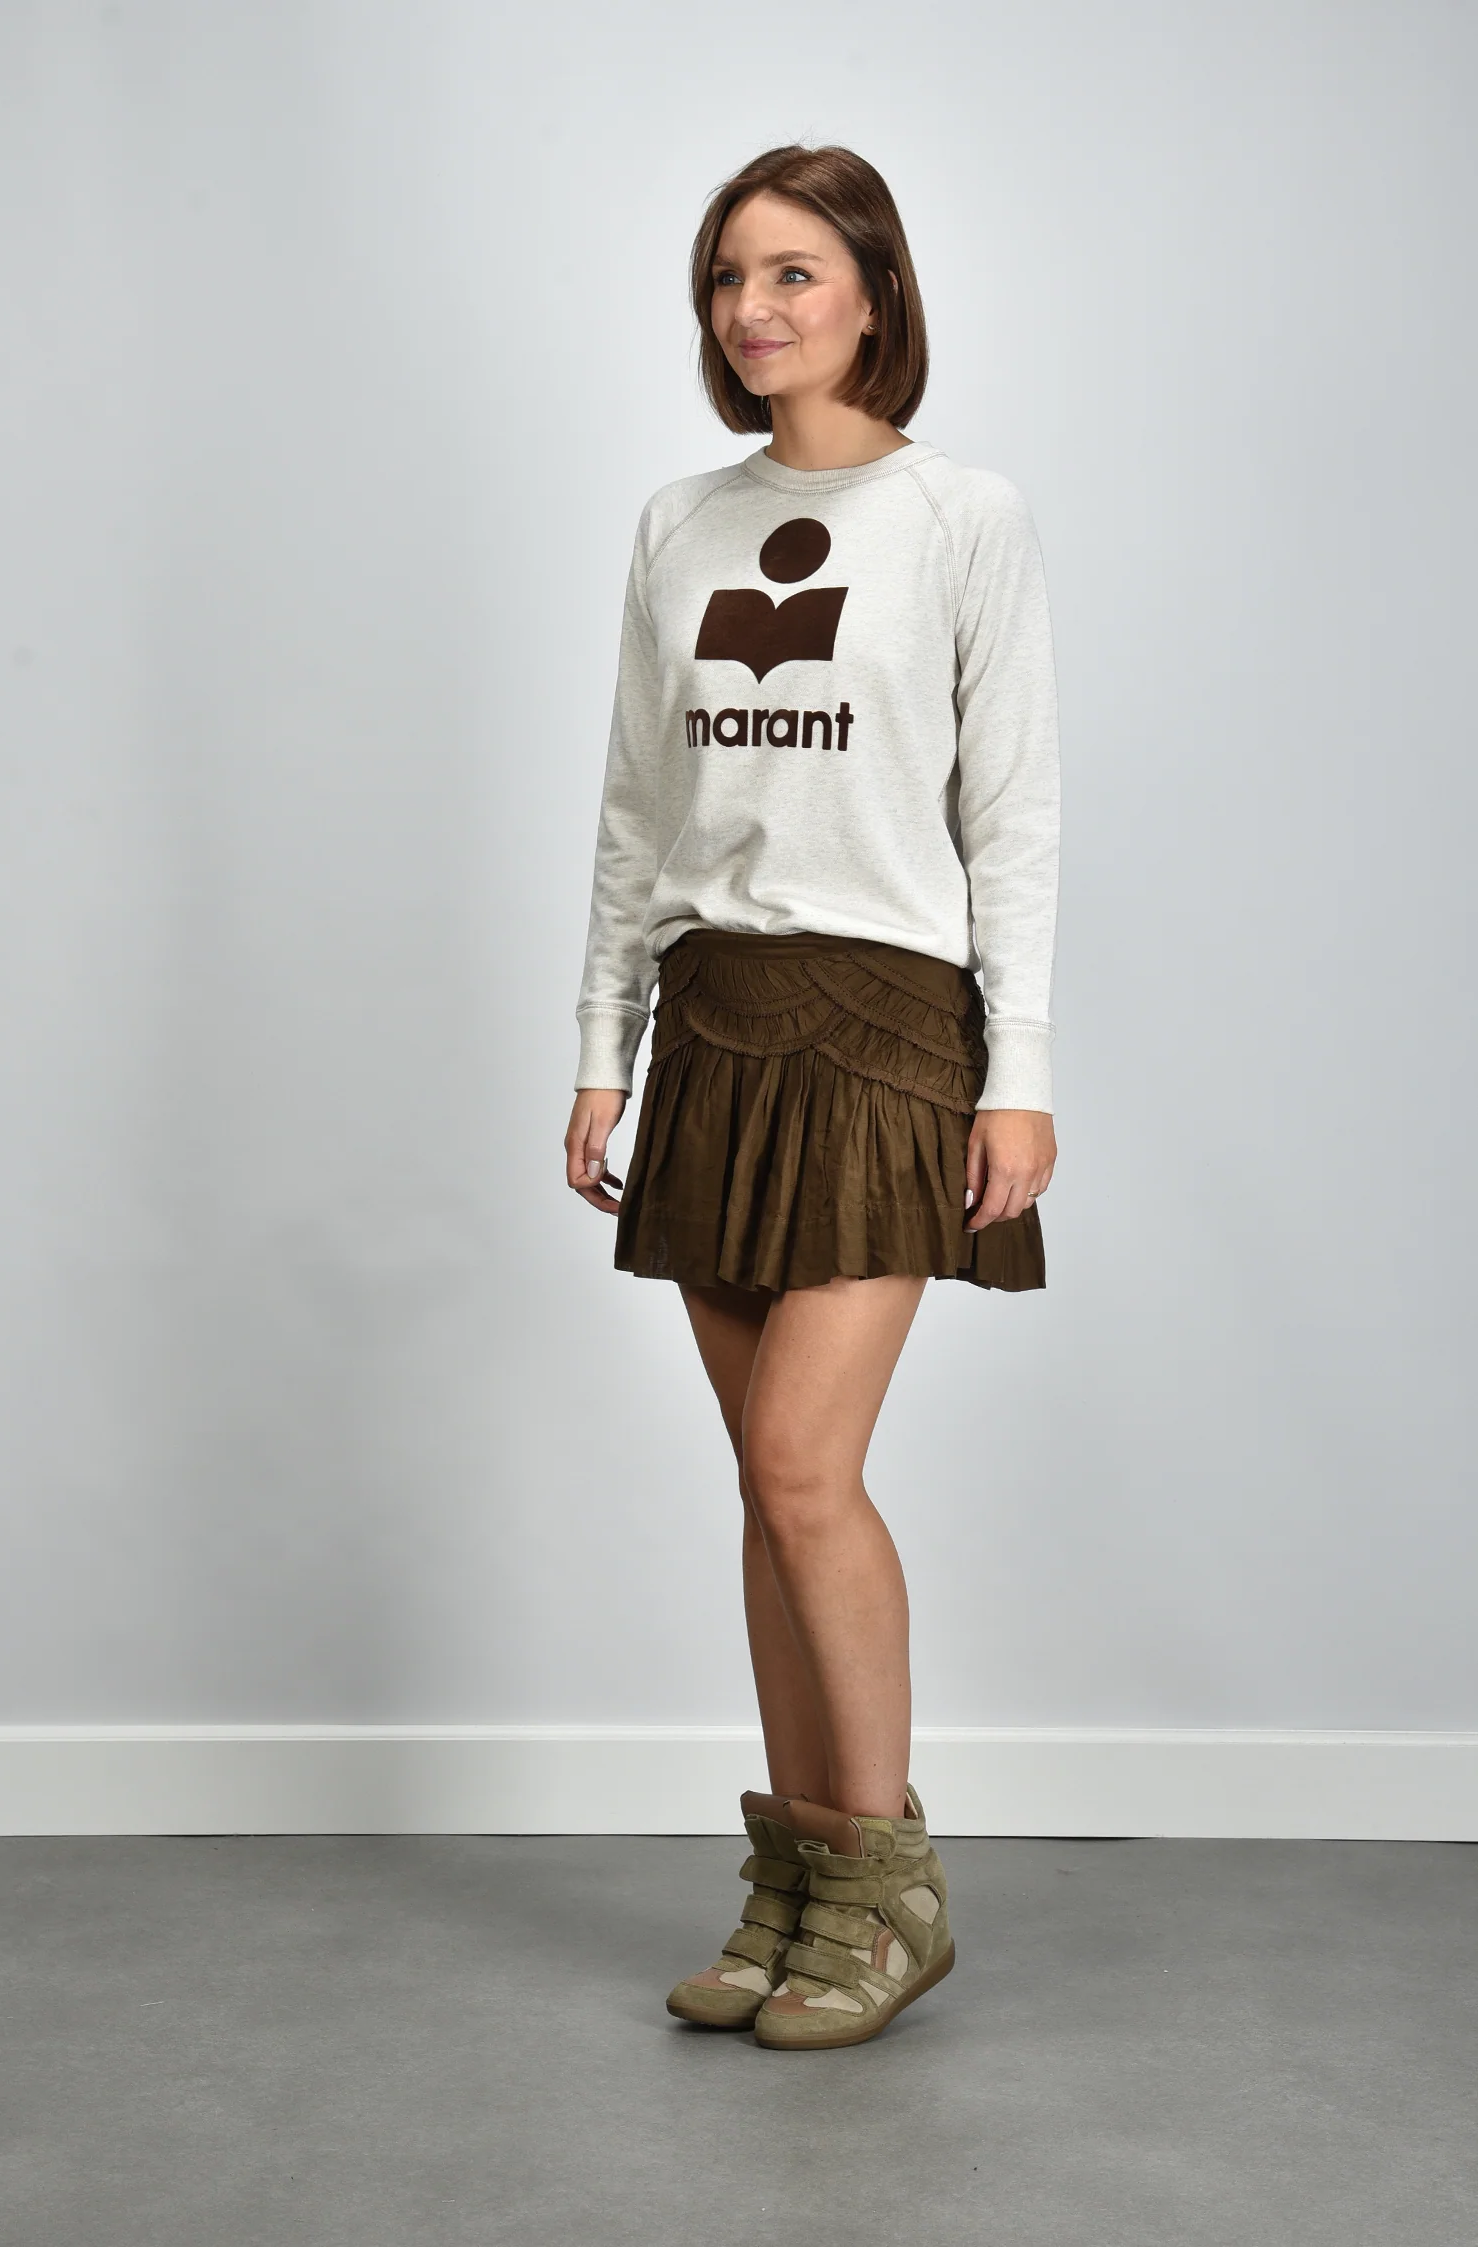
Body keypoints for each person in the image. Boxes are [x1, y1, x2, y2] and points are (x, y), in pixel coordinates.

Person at [563, 142, 1060, 2051]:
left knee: (802, 1466)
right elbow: (635, 806)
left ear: (873, 293)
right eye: (727, 277)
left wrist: (1020, 1074)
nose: (753, 309)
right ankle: (795, 1887)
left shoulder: (960, 515)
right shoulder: (679, 522)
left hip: (886, 1027)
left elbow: (1012, 813)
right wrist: (603, 1046)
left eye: (791, 272)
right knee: (766, 1498)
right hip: (716, 1021)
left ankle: (888, 1896)